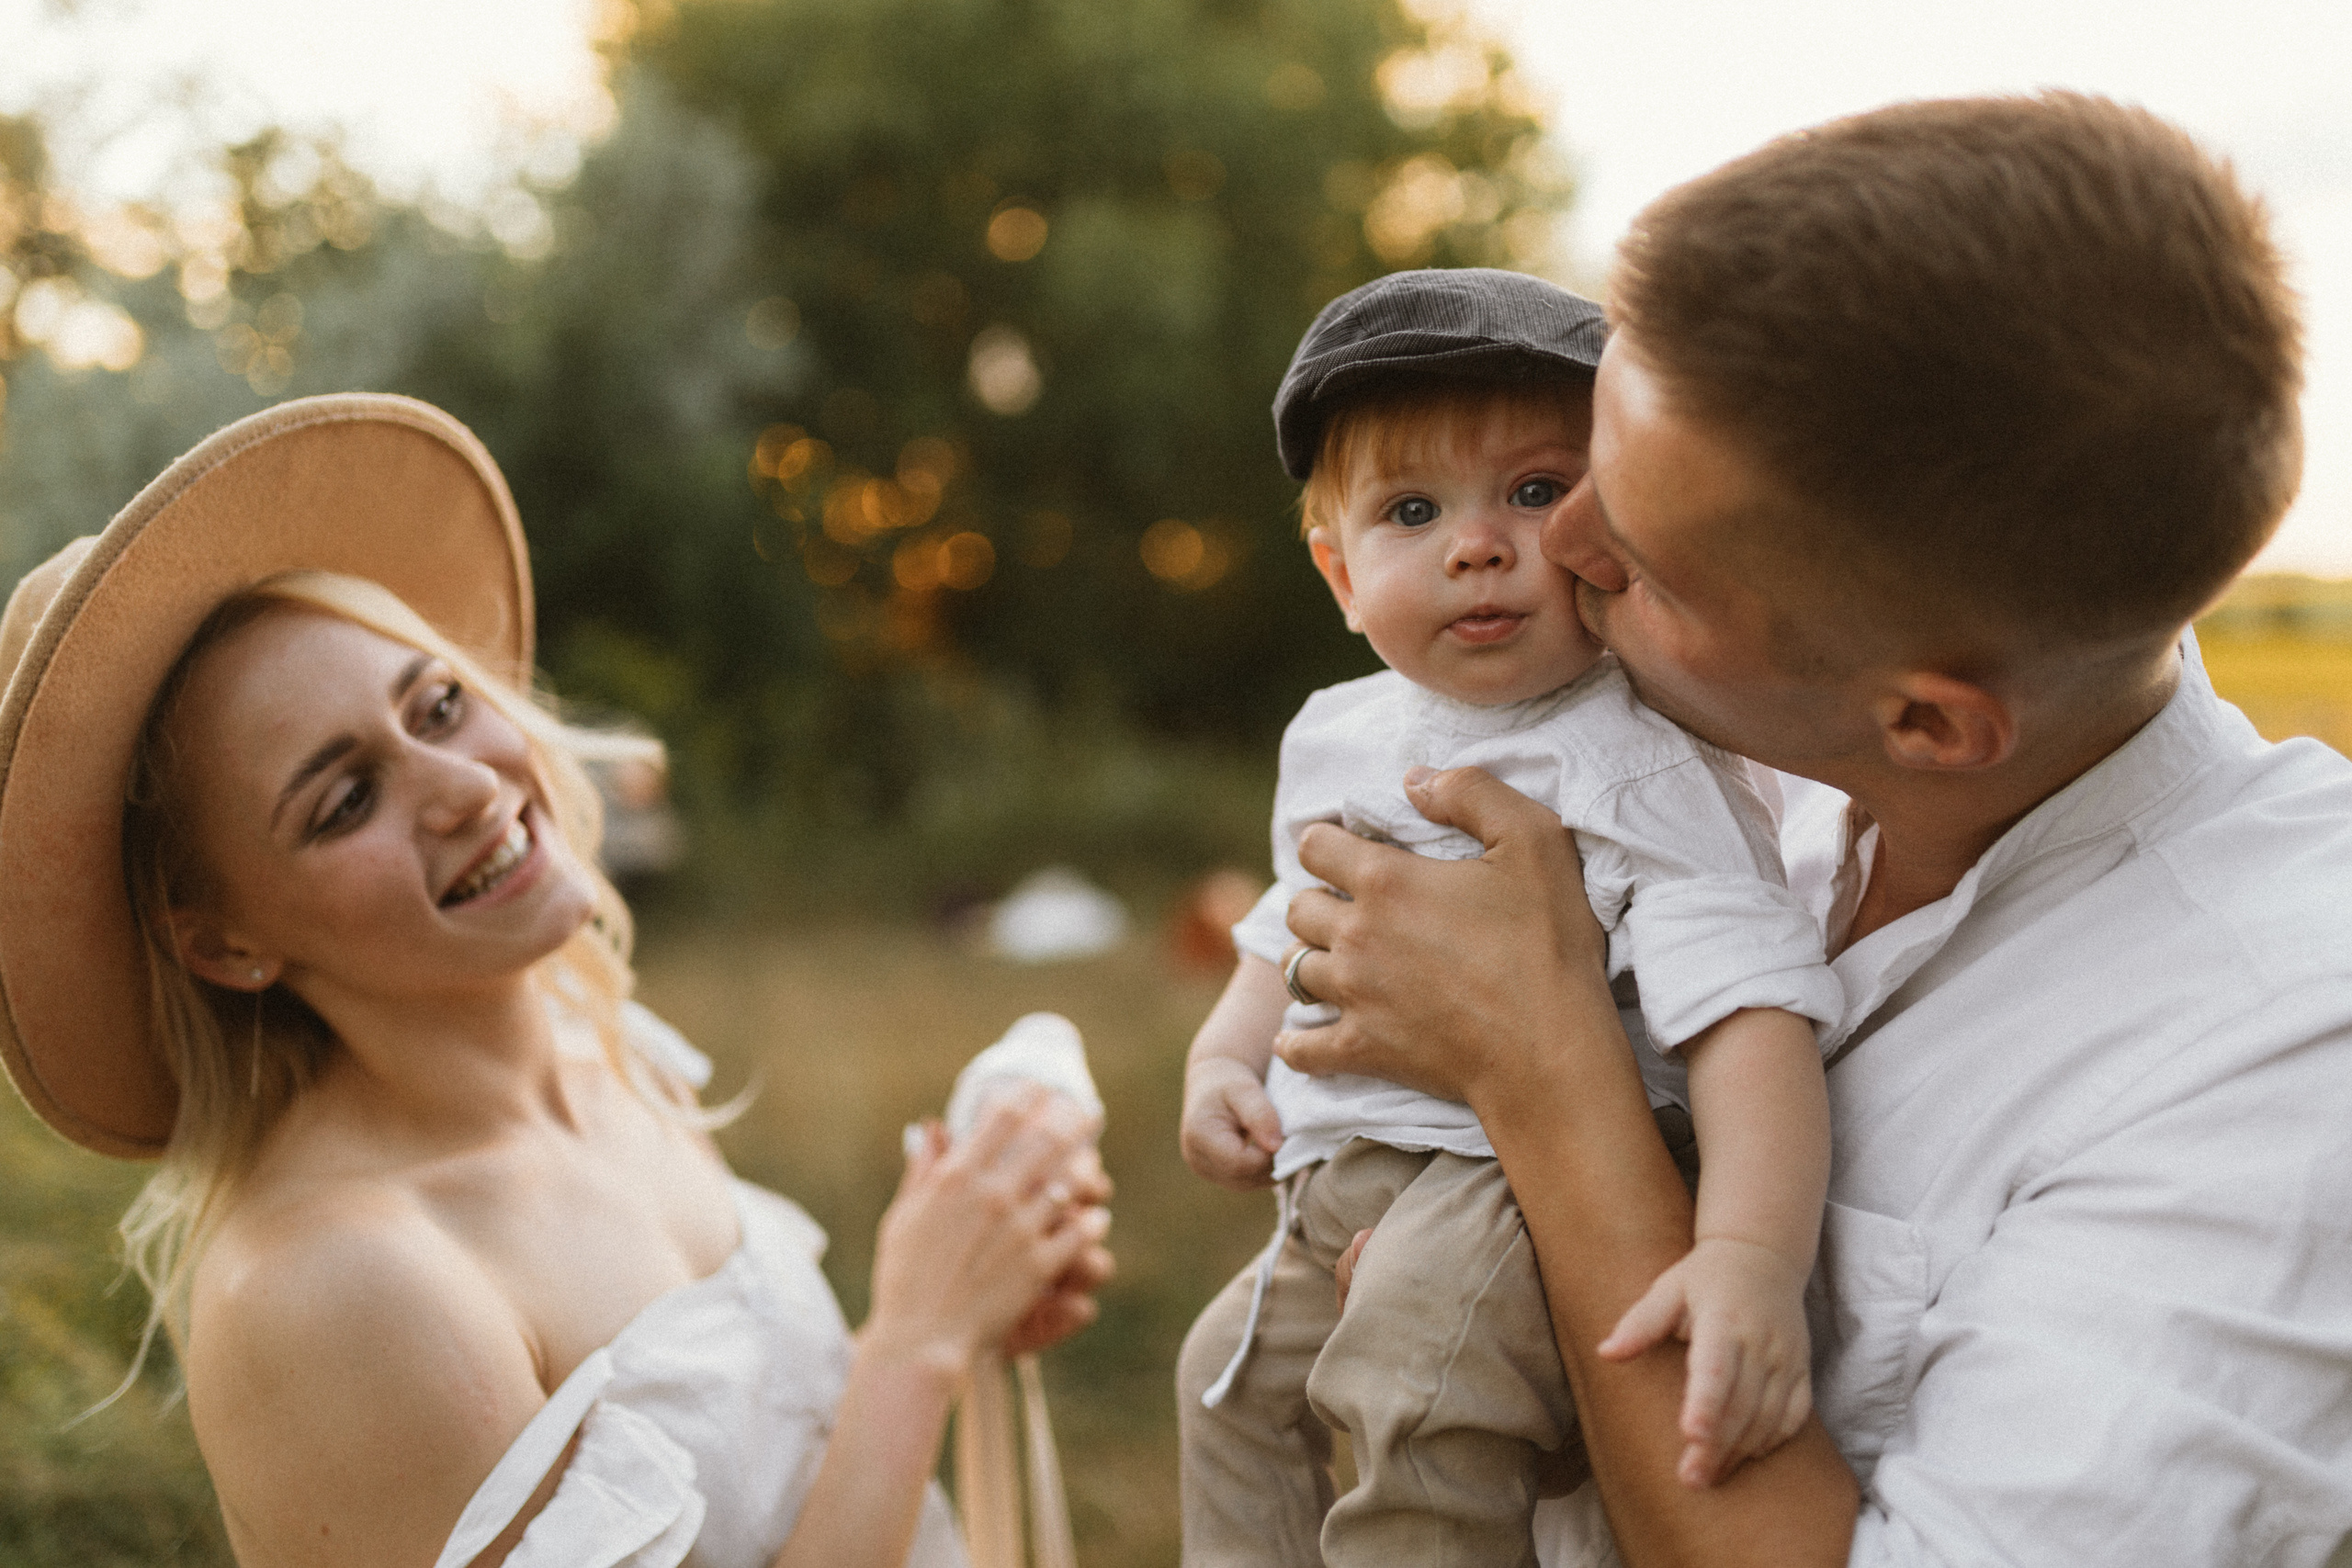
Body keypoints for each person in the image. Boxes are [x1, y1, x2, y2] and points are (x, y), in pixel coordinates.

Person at [1277, 92, 2352, 1567]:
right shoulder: (1737, 762)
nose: (1558, 546)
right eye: (1581, 464)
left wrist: (1544, 1082)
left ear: (1927, 721)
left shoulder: (2274, 1061)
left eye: (1643, 559)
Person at [0, 394, 1114, 1568]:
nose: (469, 788)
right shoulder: (334, 1289)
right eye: (347, 799)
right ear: (226, 946)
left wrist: (975, 1288)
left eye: (438, 705)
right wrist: (915, 1343)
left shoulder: (612, 1055)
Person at [1175, 268, 1843, 1568]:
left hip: (1513, 1181)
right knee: (1224, 1383)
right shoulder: (1338, 731)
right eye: (1412, 510)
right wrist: (1220, 1059)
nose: (1475, 545)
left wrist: (1750, 1253)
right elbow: (1290, 918)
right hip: (1343, 1168)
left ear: (1616, 532)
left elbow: (1751, 1012)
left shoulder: (1635, 763)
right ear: (1341, 575)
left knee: (1414, 1389)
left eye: (1535, 493)